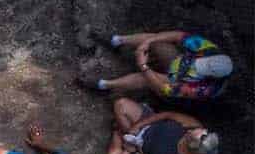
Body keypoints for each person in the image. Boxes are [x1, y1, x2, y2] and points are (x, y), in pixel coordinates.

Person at [81, 30, 233, 103]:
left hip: (176, 86)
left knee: (145, 79)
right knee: (157, 42)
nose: (198, 65)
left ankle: (105, 85)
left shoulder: (205, 89)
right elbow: (178, 36)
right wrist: (149, 42)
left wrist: (143, 65)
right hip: (179, 64)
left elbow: (165, 89)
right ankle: (117, 41)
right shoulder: (208, 49)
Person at [102, 101, 219, 154]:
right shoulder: (193, 125)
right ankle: (123, 132)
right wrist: (138, 126)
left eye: (190, 135)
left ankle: (118, 133)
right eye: (196, 130)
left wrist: (134, 152)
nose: (188, 131)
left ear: (192, 146)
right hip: (145, 124)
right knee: (121, 104)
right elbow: (167, 115)